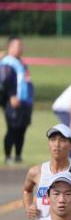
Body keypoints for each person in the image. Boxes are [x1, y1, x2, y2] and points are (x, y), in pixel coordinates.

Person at [23, 125, 71, 220]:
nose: (57, 144)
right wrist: (28, 207)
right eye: (53, 139)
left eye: (62, 140)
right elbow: (27, 190)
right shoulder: (36, 171)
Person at [1, 35, 34, 163]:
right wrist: (11, 96)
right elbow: (4, 81)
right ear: (10, 47)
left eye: (21, 45)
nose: (21, 48)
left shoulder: (20, 62)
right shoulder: (8, 62)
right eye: (18, 45)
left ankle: (18, 155)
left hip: (24, 102)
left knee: (22, 128)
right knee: (12, 128)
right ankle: (8, 156)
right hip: (13, 102)